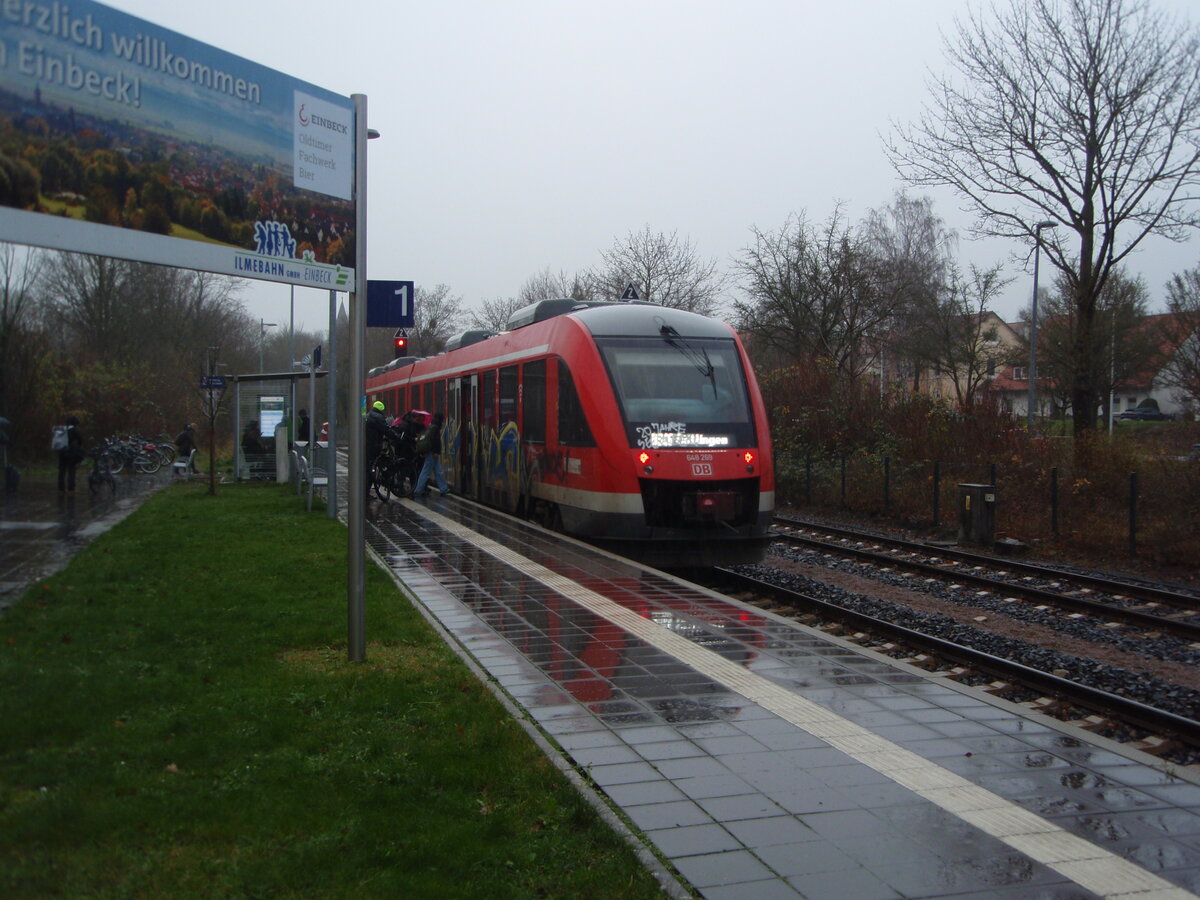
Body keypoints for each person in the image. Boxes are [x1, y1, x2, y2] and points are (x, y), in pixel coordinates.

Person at [412, 411, 449, 497]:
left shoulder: (430, 426)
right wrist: (436, 452)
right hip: (432, 453)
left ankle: (444, 488)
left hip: (430, 452)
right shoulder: (435, 428)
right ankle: (418, 489)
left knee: (437, 471)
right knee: (426, 471)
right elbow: (436, 442)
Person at [364, 400, 391, 497]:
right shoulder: (378, 418)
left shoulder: (367, 415)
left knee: (368, 468)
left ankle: (365, 491)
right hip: (374, 446)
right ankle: (366, 492)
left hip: (366, 445)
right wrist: (396, 436)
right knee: (371, 469)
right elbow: (386, 430)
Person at [57, 415, 84, 492]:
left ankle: (61, 488)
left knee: (62, 471)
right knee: (71, 470)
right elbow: (80, 441)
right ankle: (71, 488)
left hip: (61, 452)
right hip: (71, 454)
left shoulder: (61, 430)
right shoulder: (74, 430)